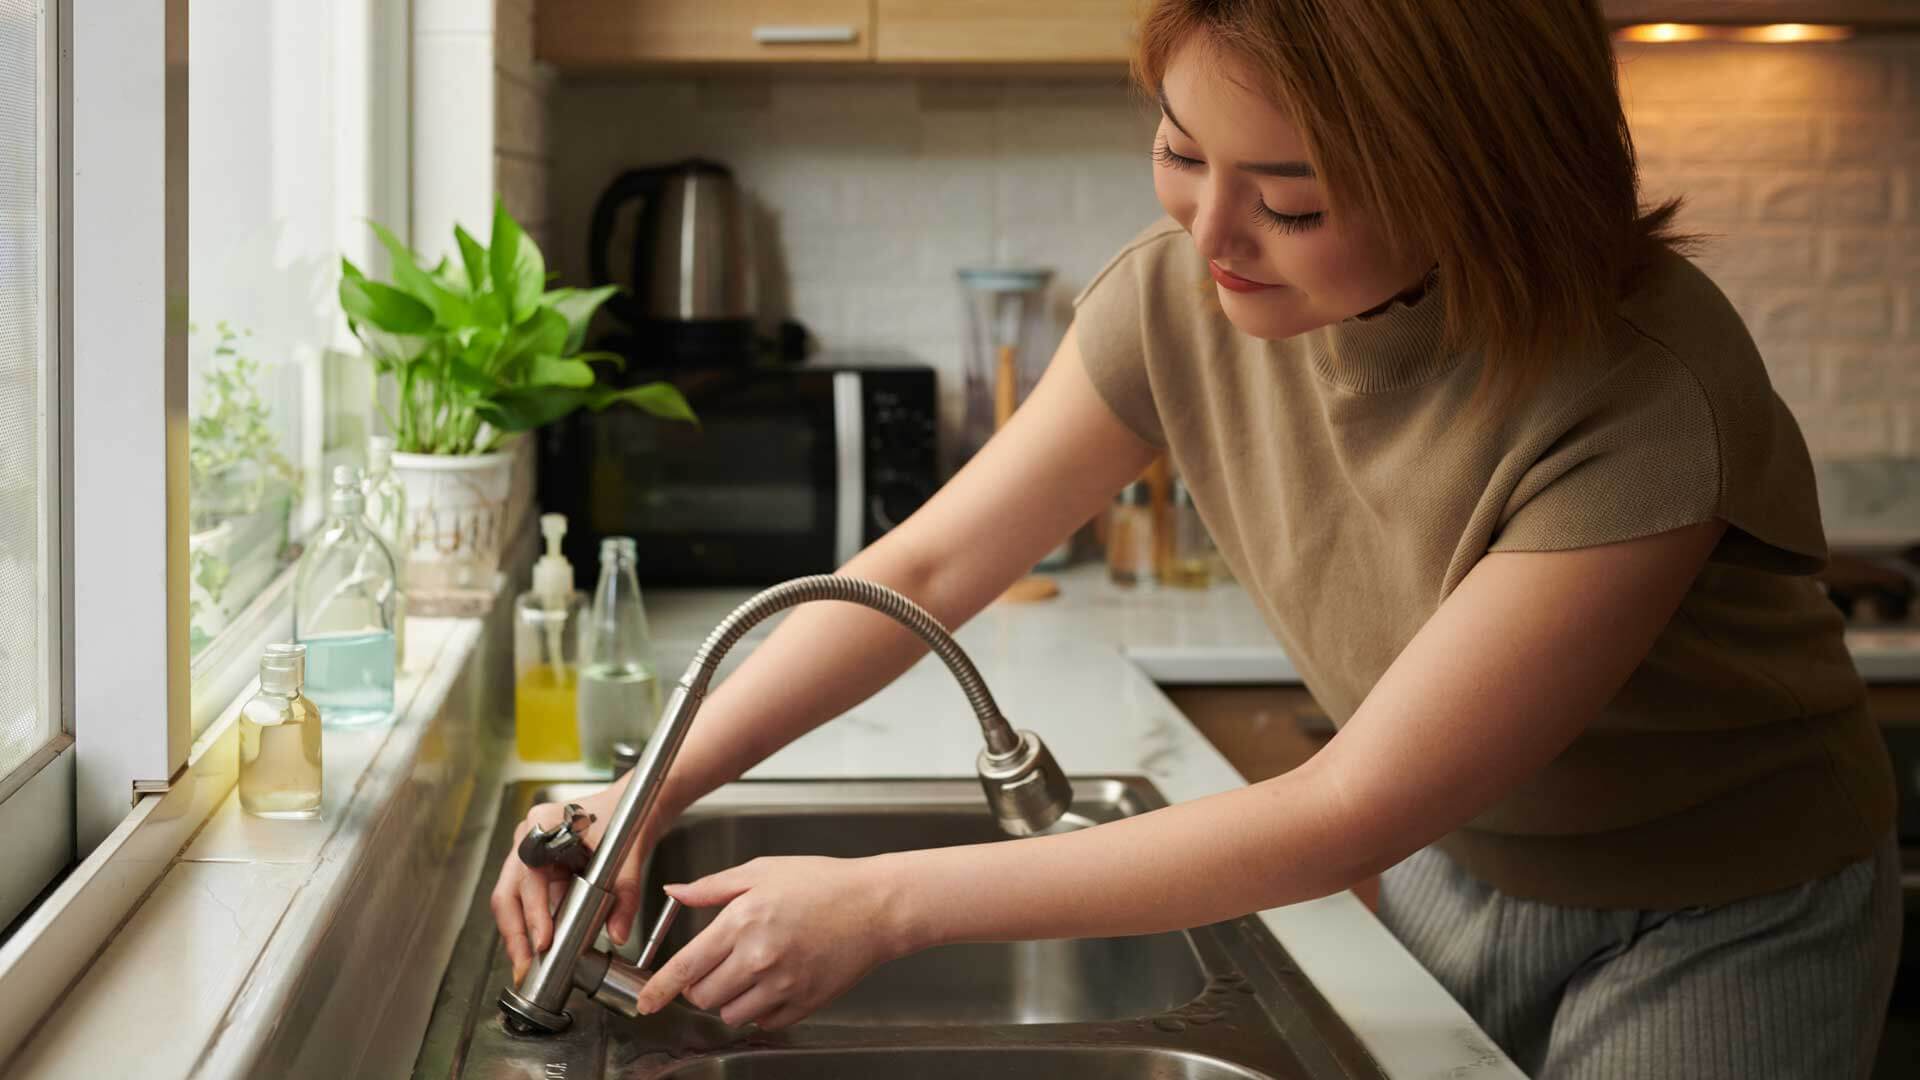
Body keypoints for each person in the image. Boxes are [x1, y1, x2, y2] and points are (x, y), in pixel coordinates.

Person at [492, 1, 1901, 1074]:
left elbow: (1352, 806)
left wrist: (885, 903)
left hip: (1719, 917)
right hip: (1455, 870)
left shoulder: (1645, 384)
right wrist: (649, 789)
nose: (1212, 233)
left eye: (1292, 199)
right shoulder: (1175, 305)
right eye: (1179, 150)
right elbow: (922, 572)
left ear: (1484, 184)